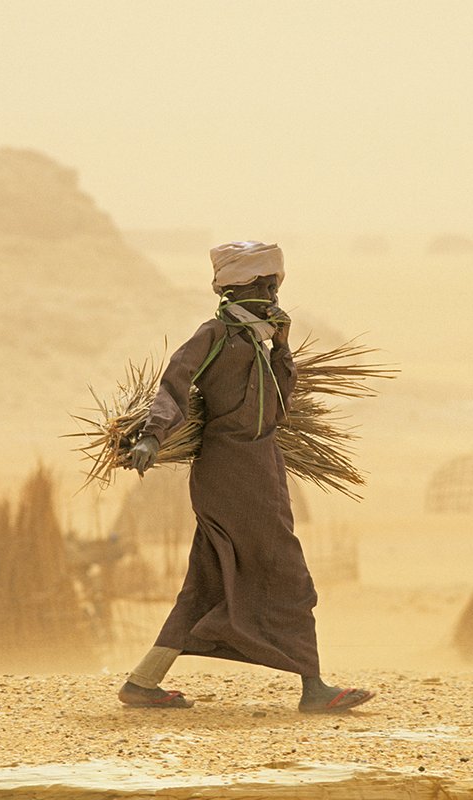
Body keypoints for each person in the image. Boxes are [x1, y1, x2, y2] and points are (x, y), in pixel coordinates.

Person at [116, 241, 375, 714]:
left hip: (261, 465)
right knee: (288, 573)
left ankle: (143, 683)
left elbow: (281, 406)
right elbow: (173, 382)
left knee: (208, 578)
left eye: (274, 286)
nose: (275, 295)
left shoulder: (257, 339)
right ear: (244, 287)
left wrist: (281, 346)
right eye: (268, 286)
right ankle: (313, 688)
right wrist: (152, 437)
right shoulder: (215, 334)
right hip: (232, 473)